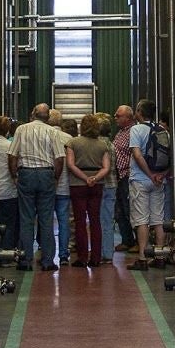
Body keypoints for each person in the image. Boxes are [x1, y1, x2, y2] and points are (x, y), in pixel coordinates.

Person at [8, 104, 64, 270]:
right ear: (47, 118)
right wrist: (55, 178)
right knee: (46, 219)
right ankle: (47, 261)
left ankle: (25, 260)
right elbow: (59, 159)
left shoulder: (21, 130)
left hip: (26, 174)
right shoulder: (53, 132)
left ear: (32, 114)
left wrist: (14, 176)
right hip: (46, 174)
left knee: (26, 219)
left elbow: (12, 155)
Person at [127, 99, 169, 270]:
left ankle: (143, 258)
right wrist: (160, 175)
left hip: (140, 180)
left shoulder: (136, 129)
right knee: (158, 220)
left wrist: (149, 174)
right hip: (159, 181)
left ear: (139, 112)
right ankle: (160, 257)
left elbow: (137, 155)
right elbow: (171, 156)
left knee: (142, 220)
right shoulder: (163, 131)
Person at [65, 114, 112, 267]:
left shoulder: (73, 143)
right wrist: (95, 178)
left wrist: (85, 178)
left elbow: (70, 165)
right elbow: (107, 167)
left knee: (80, 221)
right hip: (97, 185)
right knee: (95, 220)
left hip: (78, 184)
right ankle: (96, 257)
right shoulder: (103, 145)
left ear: (81, 126)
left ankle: (82, 257)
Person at [49, 111, 74, 265]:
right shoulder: (70, 139)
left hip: (48, 185)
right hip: (65, 186)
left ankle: (47, 252)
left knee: (46, 220)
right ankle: (64, 254)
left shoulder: (45, 136)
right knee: (64, 220)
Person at [111, 104, 136, 255]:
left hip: (127, 176)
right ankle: (127, 240)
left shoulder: (133, 132)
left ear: (128, 118)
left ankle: (138, 242)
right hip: (118, 177)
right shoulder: (120, 132)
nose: (115, 118)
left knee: (129, 209)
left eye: (118, 116)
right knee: (119, 210)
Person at [93, 112, 118, 259]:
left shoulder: (98, 145)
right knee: (108, 220)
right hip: (112, 184)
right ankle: (108, 253)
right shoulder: (111, 144)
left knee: (98, 220)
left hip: (100, 184)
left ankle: (100, 251)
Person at [0, 116, 18, 251]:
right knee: (9, 224)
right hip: (8, 190)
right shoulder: (10, 146)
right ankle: (6, 254)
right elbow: (14, 167)